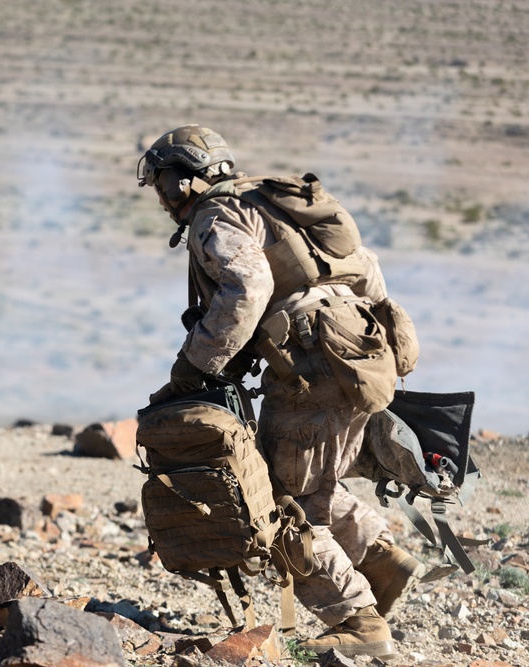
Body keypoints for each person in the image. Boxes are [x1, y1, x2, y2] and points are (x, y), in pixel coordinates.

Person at [137, 125, 424, 658]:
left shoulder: (216, 215)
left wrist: (195, 364)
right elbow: (366, 270)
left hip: (311, 365)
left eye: (161, 185)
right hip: (358, 357)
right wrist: (354, 342)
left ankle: (358, 620)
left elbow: (248, 290)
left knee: (276, 499)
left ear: (182, 180)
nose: (161, 198)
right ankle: (381, 562)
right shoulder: (271, 204)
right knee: (311, 482)